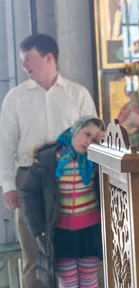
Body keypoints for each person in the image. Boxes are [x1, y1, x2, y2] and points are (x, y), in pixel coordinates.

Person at [0, 34, 97, 288]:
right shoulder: (15, 97)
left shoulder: (77, 94)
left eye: (29, 59)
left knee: (73, 253)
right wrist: (8, 186)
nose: (24, 66)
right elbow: (5, 144)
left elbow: (95, 139)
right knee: (34, 253)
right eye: (22, 61)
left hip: (74, 181)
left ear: (49, 58)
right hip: (29, 178)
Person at [20, 116, 106, 288]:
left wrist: (107, 145)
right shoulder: (48, 160)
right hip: (61, 232)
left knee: (90, 279)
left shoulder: (97, 161)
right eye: (86, 134)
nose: (89, 141)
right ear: (74, 131)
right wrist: (38, 228)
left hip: (89, 231)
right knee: (68, 281)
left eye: (94, 138)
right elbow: (28, 193)